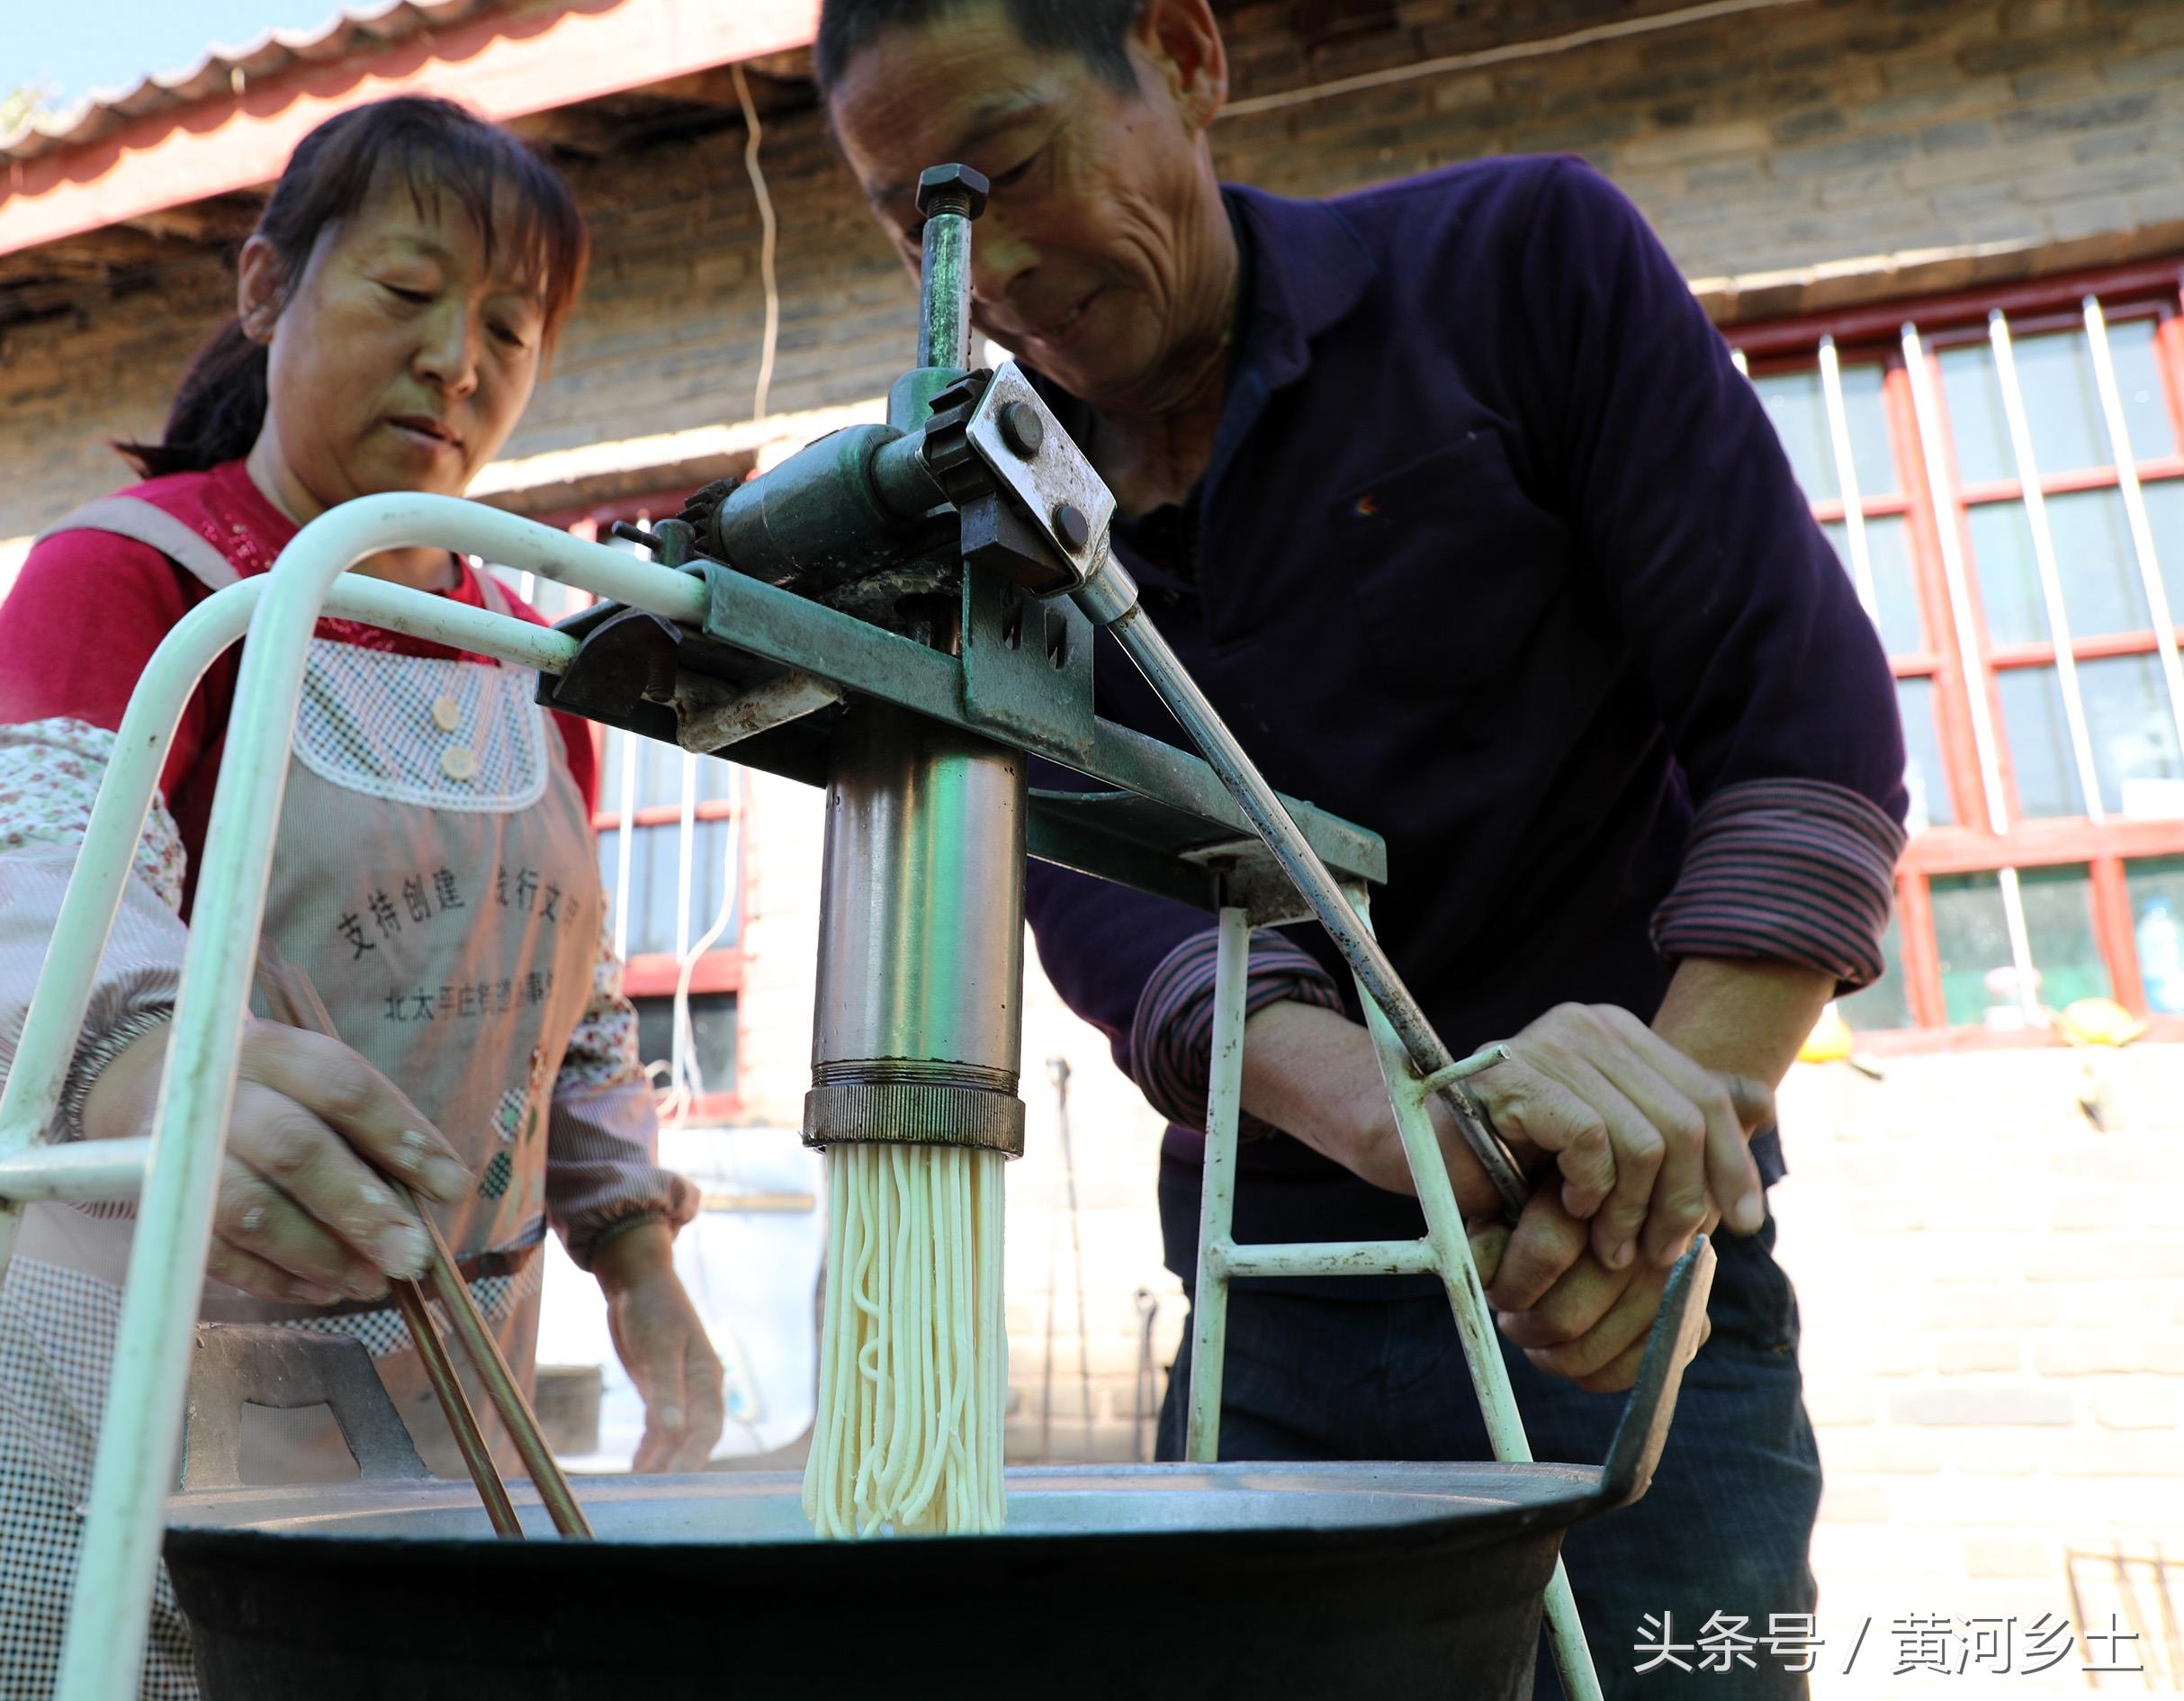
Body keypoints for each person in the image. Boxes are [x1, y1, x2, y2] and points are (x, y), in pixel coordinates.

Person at [815, 2, 1904, 1695]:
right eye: (925, 231)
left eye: (1014, 167)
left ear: (1185, 55)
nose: (999, 267)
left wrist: (1649, 1170)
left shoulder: (1523, 266)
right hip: (1274, 1320)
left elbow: (1801, 728)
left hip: (1627, 1305)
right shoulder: (991, 511)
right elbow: (1108, 905)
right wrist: (1417, 1132)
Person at [0, 96, 724, 1698]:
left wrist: (637, 1258)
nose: (455, 362)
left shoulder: (526, 659)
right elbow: (18, 851)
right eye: (407, 293)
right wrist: (152, 1062)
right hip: (107, 1364)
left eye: (508, 329)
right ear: (268, 290)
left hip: (430, 1391)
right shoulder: (142, 574)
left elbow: (569, 999)